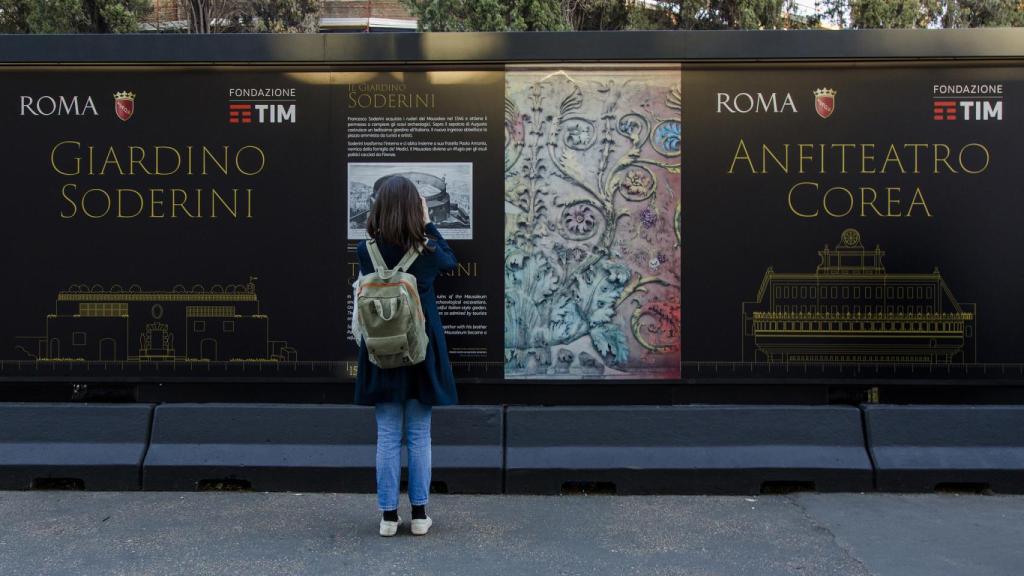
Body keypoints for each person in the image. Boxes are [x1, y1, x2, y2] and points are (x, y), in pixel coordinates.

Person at [354, 175, 458, 537]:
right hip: (419, 349)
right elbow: (450, 261)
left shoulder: (365, 250)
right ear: (416, 206)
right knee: (418, 434)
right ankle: (418, 515)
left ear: (379, 206)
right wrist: (428, 222)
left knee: (386, 435)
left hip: (381, 349)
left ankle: (386, 518)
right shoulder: (428, 250)